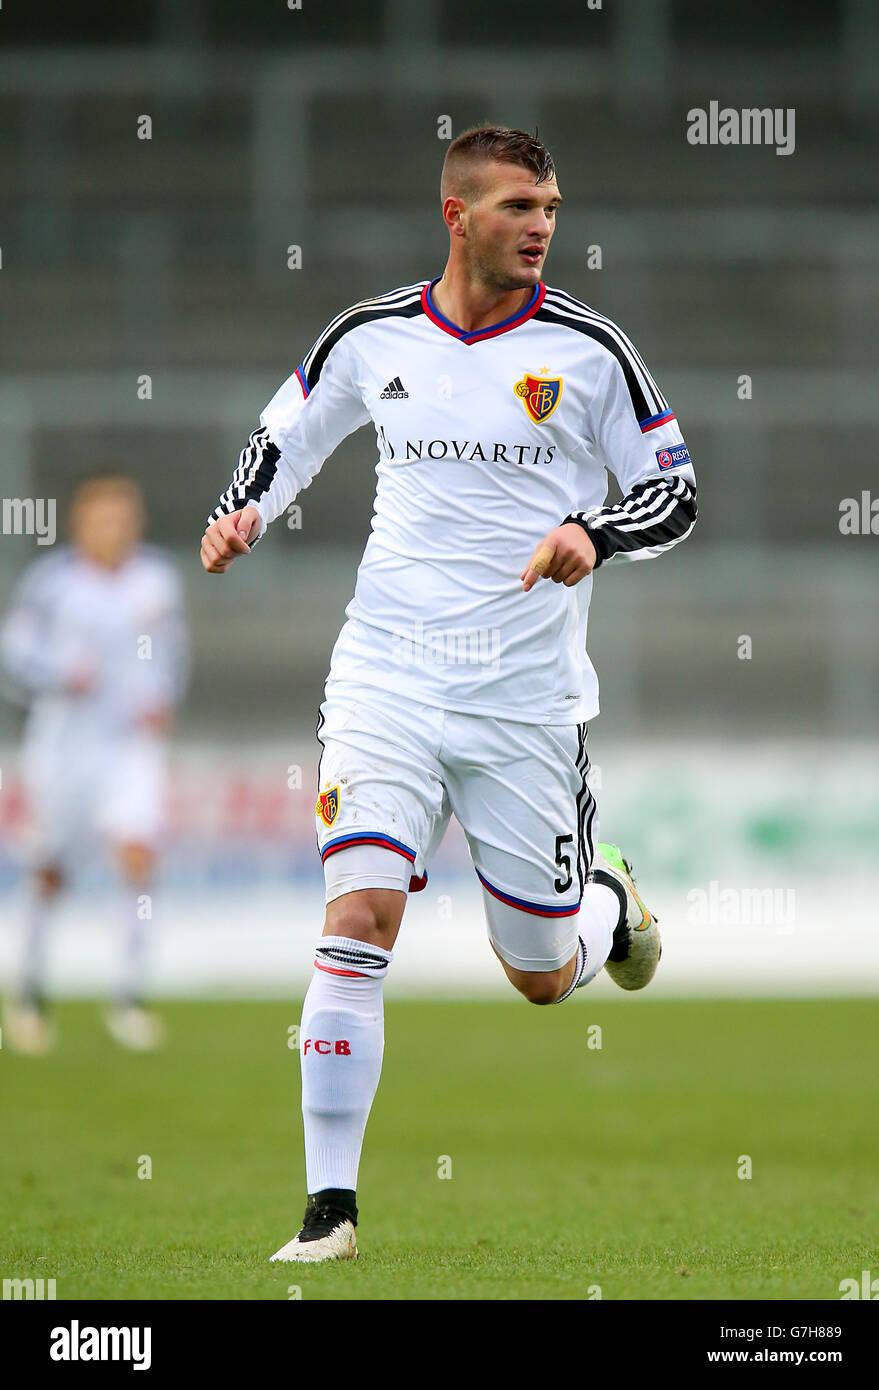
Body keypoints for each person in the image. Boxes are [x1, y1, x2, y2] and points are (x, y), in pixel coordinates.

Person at [201, 127, 697, 1261]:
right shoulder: (375, 335)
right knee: (358, 917)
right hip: (386, 672)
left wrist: (593, 530)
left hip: (525, 700)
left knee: (535, 975)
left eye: (553, 207)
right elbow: (288, 434)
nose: (542, 226)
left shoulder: (591, 351)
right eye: (521, 204)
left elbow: (676, 491)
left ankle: (608, 906)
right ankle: (330, 1211)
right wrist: (244, 512)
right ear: (456, 214)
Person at [2, 473, 188, 1053]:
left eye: (124, 516)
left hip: (128, 745)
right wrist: (60, 673)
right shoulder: (52, 584)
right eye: (103, 516)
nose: (115, 527)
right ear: (81, 522)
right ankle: (29, 993)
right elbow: (15, 650)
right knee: (50, 869)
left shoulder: (158, 580)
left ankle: (128, 997)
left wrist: (163, 697)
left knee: (138, 855)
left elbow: (172, 649)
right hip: (64, 745)